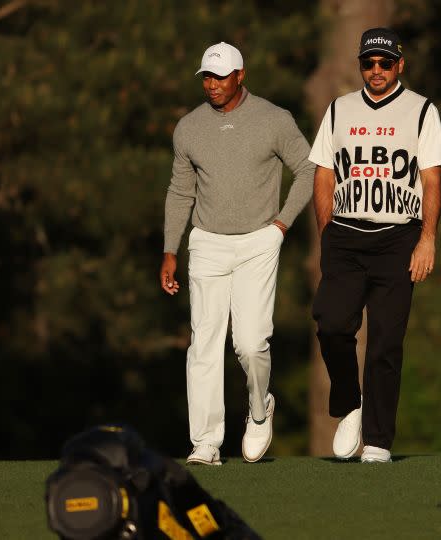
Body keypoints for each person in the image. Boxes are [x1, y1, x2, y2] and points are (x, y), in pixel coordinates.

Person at [161, 42, 315, 465]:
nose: (212, 85)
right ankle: (206, 442)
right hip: (207, 241)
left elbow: (308, 168)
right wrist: (169, 249)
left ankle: (259, 407)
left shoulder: (274, 119)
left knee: (249, 343)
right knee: (203, 344)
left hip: (258, 240)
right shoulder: (189, 128)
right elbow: (180, 191)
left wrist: (282, 223)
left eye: (221, 76)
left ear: (240, 75)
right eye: (207, 77)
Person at [309, 28, 441, 464]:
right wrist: (327, 231)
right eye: (369, 63)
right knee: (331, 324)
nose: (377, 71)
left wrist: (427, 238)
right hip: (345, 235)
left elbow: (431, 178)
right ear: (360, 66)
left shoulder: (422, 110)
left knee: (386, 340)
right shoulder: (338, 109)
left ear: (399, 65)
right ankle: (349, 402)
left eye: (385, 63)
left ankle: (379, 440)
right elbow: (325, 173)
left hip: (399, 237)